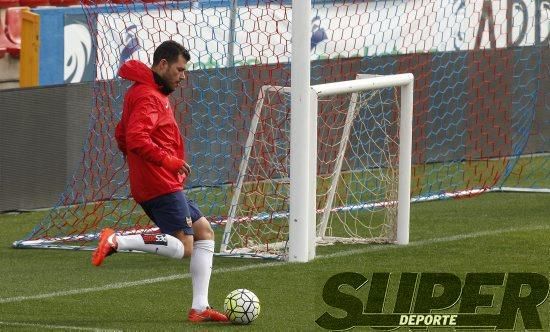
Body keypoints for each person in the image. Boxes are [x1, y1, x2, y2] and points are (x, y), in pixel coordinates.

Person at [92, 40, 228, 323]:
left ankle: (200, 308)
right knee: (185, 245)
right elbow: (136, 138)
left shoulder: (145, 92)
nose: (183, 75)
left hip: (160, 179)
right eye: (179, 69)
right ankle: (118, 241)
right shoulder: (148, 96)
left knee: (204, 233)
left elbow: (121, 135)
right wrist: (166, 161)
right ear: (162, 64)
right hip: (159, 182)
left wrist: (147, 163)